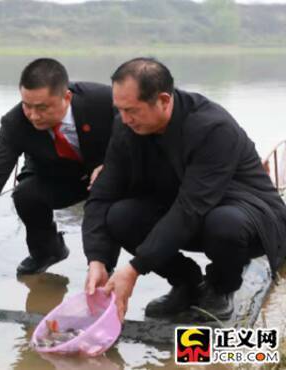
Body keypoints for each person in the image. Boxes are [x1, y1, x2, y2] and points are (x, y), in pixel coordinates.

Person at [83, 57, 286, 322]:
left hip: (245, 217)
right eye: (119, 109)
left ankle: (221, 288)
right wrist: (97, 259)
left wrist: (134, 269)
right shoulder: (125, 125)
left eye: (132, 110)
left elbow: (191, 208)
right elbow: (103, 194)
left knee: (223, 223)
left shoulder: (212, 128)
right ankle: (187, 283)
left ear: (164, 100)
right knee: (120, 216)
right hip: (185, 209)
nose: (124, 119)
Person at [0, 58, 116, 275]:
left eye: (42, 108)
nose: (33, 116)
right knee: (25, 194)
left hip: (107, 172)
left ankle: (105, 267)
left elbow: (134, 134)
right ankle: (47, 251)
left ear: (66, 97)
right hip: (59, 177)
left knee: (111, 207)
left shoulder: (103, 101)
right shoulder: (15, 122)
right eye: (27, 106)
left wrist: (112, 165)